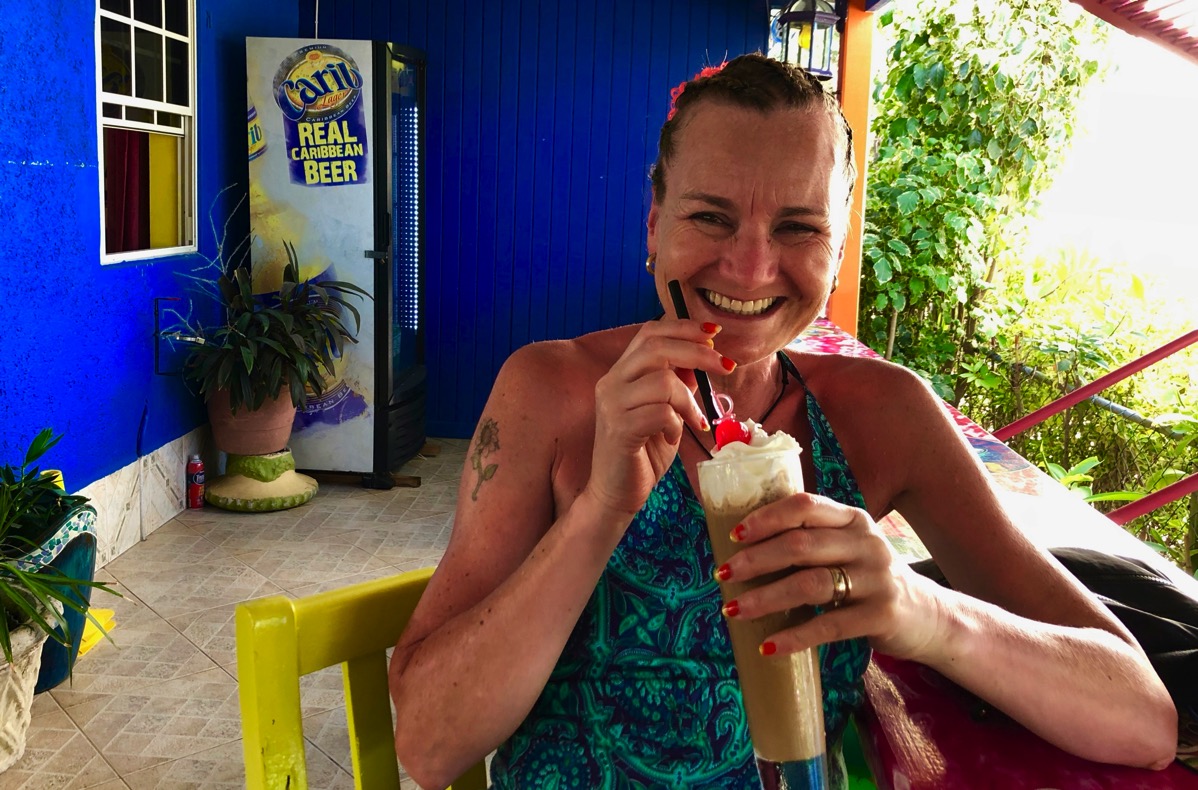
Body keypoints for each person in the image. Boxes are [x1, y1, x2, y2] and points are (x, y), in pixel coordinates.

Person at [388, 53, 1177, 789]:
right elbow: (428, 744)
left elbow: (1143, 719)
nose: (752, 268)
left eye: (798, 228)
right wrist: (598, 514)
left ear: (839, 243)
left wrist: (921, 611)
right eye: (710, 217)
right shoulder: (549, 393)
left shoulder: (884, 416)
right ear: (654, 222)